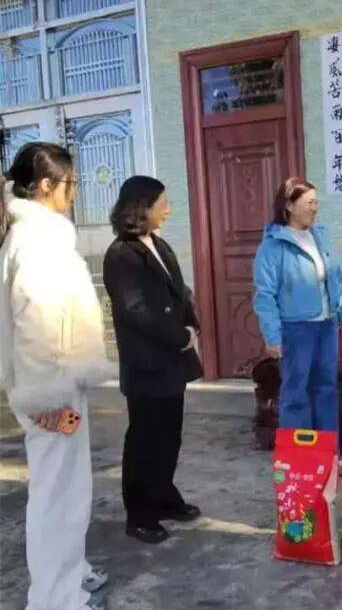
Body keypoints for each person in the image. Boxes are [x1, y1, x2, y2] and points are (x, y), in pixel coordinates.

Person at [0, 142, 113, 610]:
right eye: (71, 183)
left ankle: (71, 573)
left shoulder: (35, 235)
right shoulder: (37, 240)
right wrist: (46, 402)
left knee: (68, 490)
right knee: (57, 496)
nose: (74, 192)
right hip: (49, 388)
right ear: (47, 185)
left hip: (55, 383)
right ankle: (55, 599)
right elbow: (37, 324)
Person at [103, 176, 203, 545]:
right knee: (144, 440)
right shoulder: (121, 254)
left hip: (171, 361)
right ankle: (140, 514)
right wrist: (179, 337)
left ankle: (163, 496)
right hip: (146, 363)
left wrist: (192, 325)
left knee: (169, 435)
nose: (168, 210)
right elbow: (135, 310)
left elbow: (180, 292)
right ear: (141, 207)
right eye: (162, 203)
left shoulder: (159, 245)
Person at [253, 177, 342, 433]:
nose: (315, 207)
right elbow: (265, 296)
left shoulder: (319, 235)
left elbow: (335, 276)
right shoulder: (273, 246)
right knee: (296, 392)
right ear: (289, 205)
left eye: (316, 202)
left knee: (326, 388)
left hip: (326, 325)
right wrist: (272, 336)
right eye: (309, 202)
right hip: (296, 329)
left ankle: (328, 451)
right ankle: (300, 454)